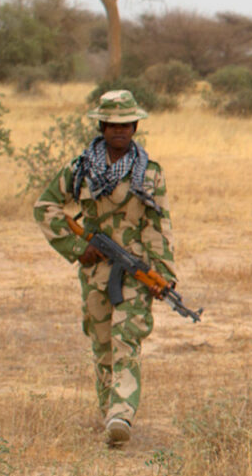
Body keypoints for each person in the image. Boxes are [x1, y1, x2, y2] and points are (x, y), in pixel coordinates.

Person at [33, 90, 176, 446]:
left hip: (135, 270)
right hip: (96, 272)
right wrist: (77, 247)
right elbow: (45, 206)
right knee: (102, 346)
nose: (119, 130)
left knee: (126, 338)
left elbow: (159, 226)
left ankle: (121, 414)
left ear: (135, 126)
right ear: (101, 125)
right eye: (112, 124)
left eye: (126, 124)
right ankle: (108, 413)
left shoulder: (149, 173)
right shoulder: (80, 168)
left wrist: (163, 276)